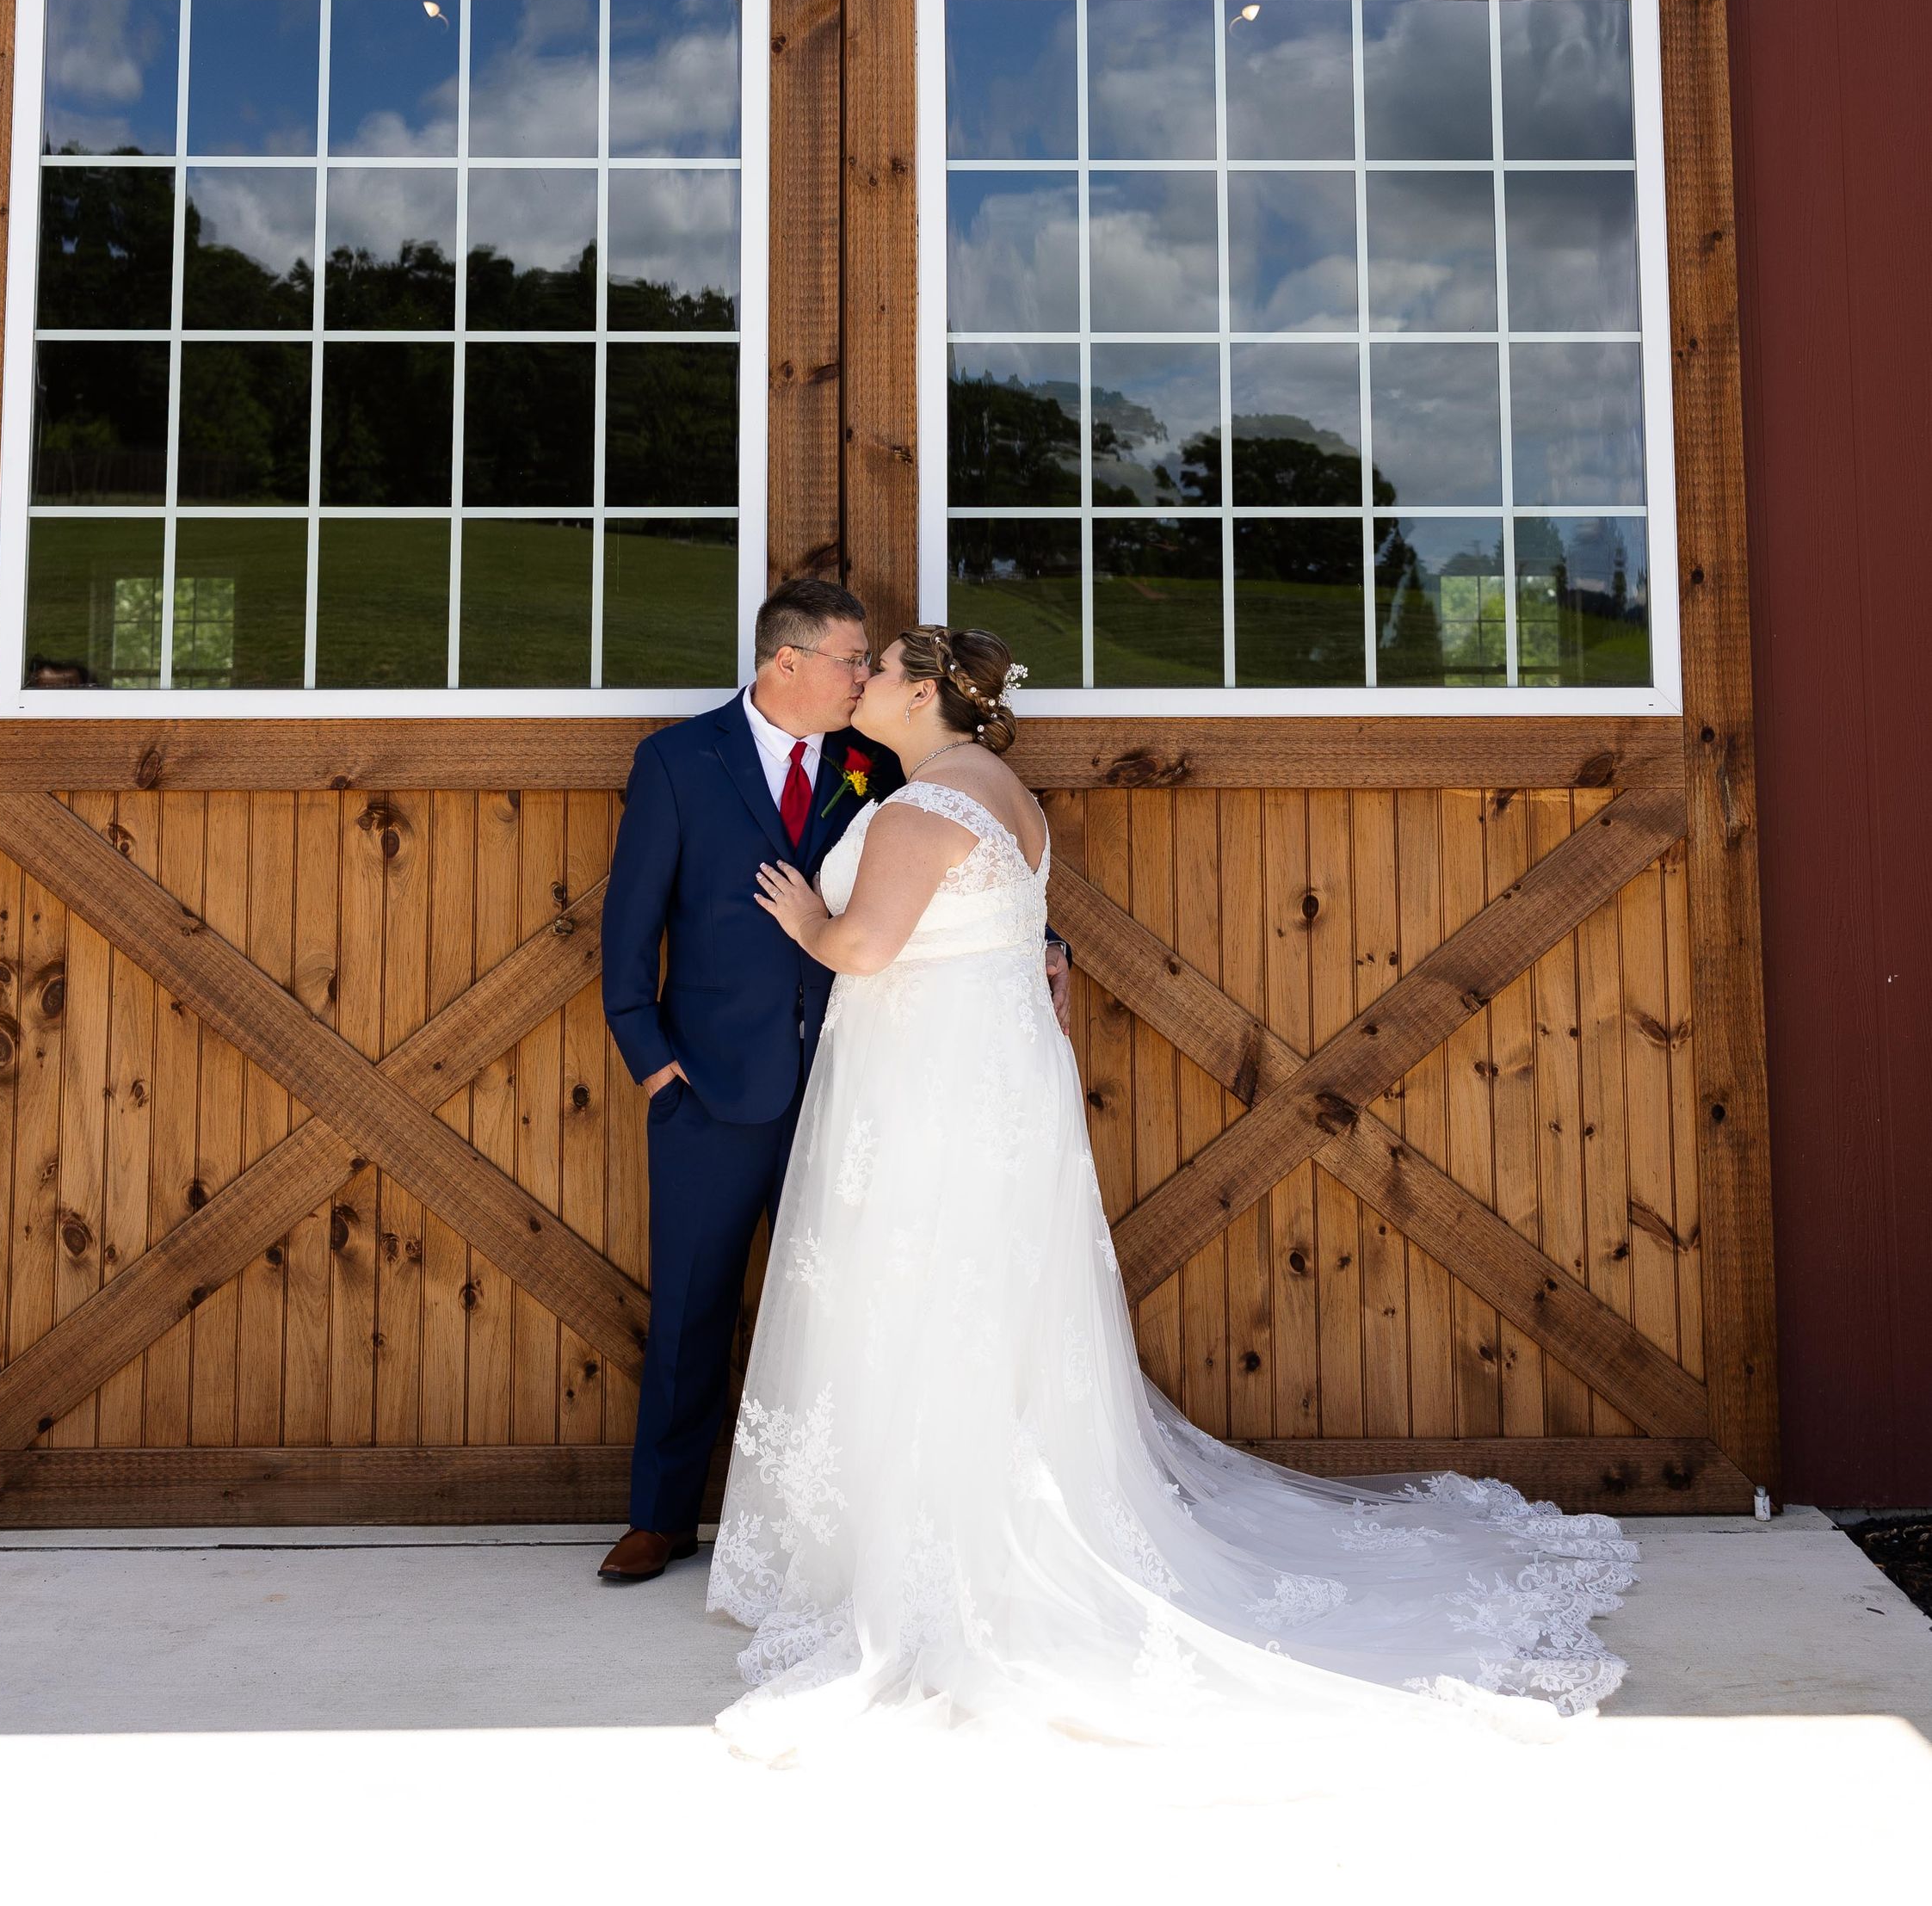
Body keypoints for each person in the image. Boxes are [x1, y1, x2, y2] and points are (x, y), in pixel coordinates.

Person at [712, 621, 1637, 1761]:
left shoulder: (918, 810)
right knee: (991, 1303)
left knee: (929, 1297)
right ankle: (976, 1504)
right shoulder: (1005, 794)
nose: (862, 680)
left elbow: (864, 948)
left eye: (881, 667)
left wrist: (807, 920)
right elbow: (1008, 936)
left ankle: (947, 1549)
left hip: (933, 1094)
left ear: (918, 698)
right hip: (995, 1086)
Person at [596, 577, 898, 1585]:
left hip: (850, 1082)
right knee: (691, 1306)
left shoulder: (874, 764)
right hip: (710, 1091)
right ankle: (660, 1516)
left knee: (842, 1308)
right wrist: (654, 1066)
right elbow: (631, 926)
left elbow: (944, 869)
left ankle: (835, 1527)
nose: (864, 676)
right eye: (851, 659)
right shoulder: (679, 761)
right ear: (787, 662)